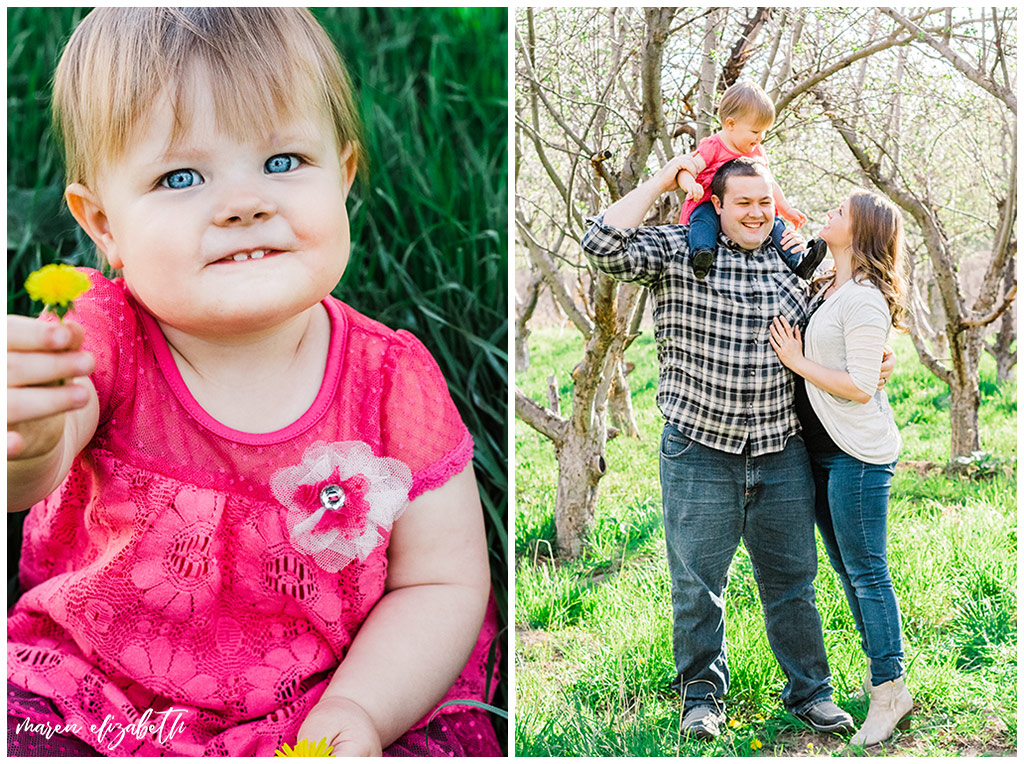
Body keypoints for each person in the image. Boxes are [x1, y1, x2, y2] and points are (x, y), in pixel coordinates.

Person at [6, 8, 500, 757]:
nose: (243, 203)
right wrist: (26, 436)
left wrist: (362, 711)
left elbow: (443, 584)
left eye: (282, 163)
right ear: (103, 224)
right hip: (100, 697)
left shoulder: (392, 383)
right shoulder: (97, 335)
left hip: (334, 696)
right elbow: (27, 477)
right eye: (180, 176)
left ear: (345, 175)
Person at [581, 156, 894, 741]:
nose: (755, 213)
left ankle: (811, 694)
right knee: (698, 585)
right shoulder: (680, 253)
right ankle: (701, 700)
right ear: (717, 206)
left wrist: (877, 361)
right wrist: (660, 179)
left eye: (764, 203)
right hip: (700, 450)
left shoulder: (796, 268)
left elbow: (846, 335)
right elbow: (600, 243)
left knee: (793, 582)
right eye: (742, 202)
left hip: (781, 451)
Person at [769, 190, 912, 747]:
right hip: (824, 450)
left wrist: (798, 362)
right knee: (851, 570)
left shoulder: (865, 298)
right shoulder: (833, 284)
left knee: (867, 571)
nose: (829, 214)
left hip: (856, 452)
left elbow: (858, 386)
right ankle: (887, 678)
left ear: (862, 231)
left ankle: (888, 689)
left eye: (840, 213)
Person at [674, 81, 826, 280]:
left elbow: (769, 185)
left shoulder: (756, 151)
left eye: (764, 132)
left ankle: (799, 260)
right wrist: (690, 184)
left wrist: (786, 209)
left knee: (775, 223)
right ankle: (702, 255)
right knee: (703, 222)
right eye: (755, 132)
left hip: (746, 209)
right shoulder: (714, 146)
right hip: (709, 201)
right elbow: (685, 169)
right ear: (731, 124)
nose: (760, 138)